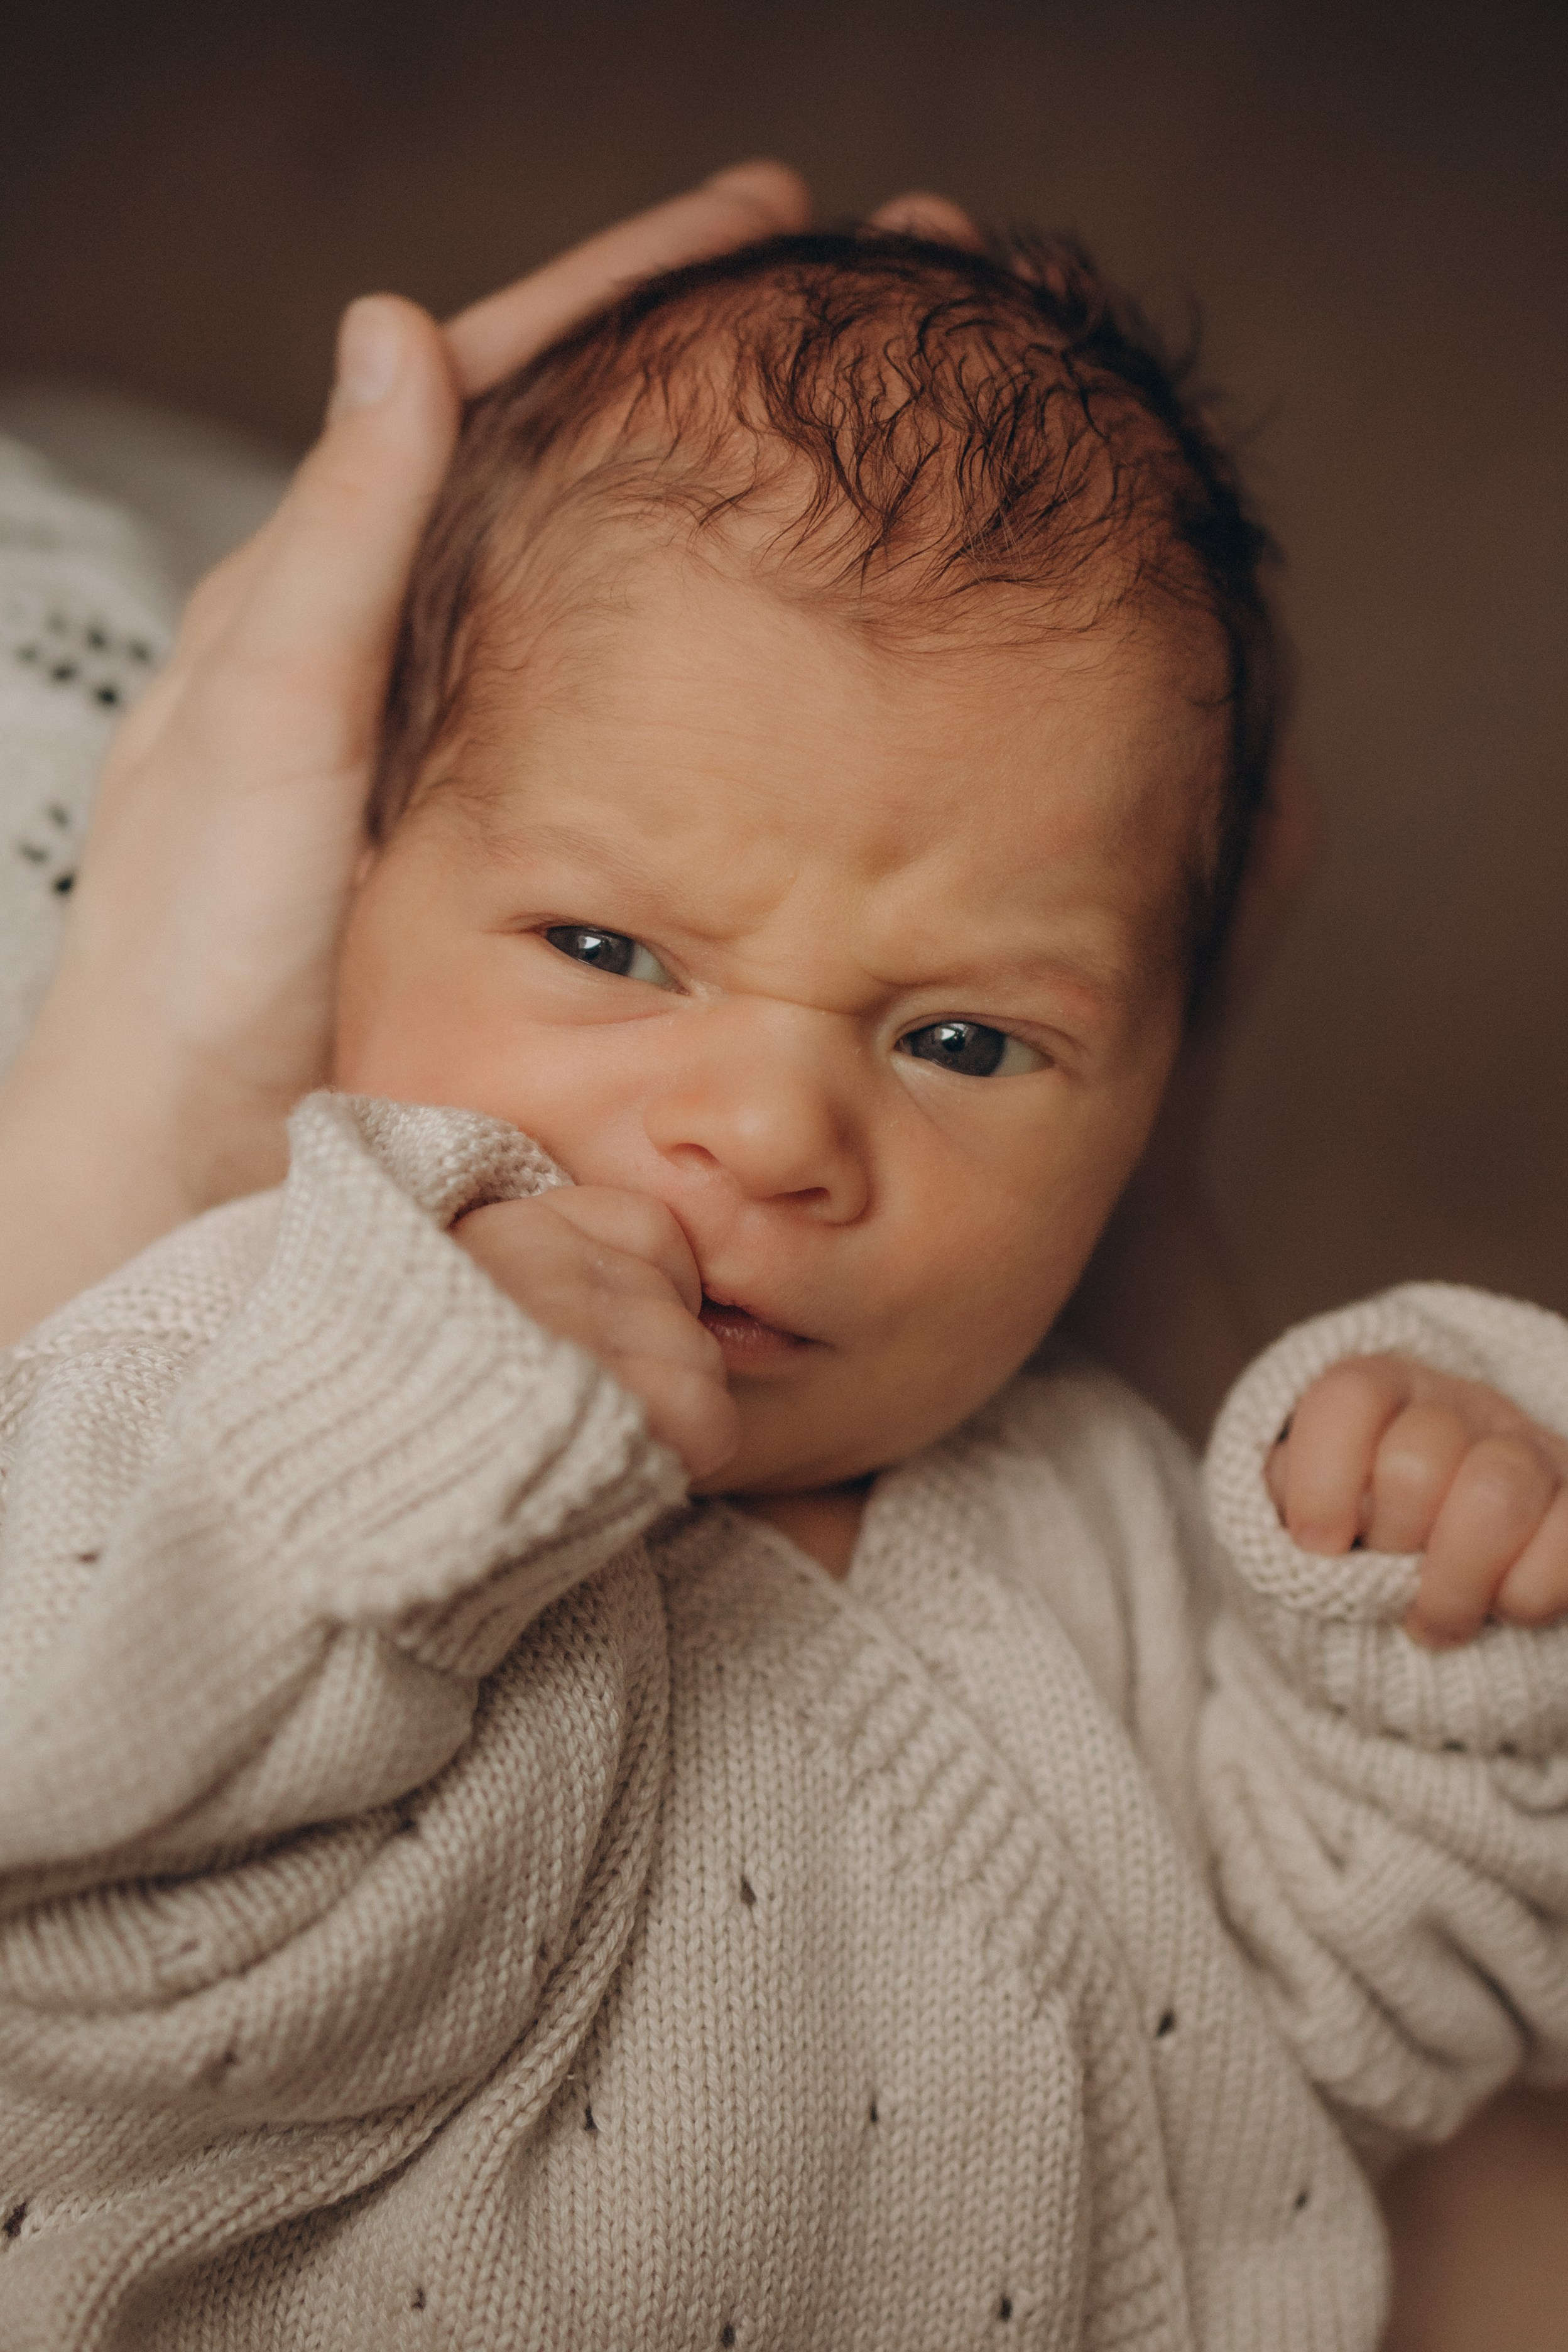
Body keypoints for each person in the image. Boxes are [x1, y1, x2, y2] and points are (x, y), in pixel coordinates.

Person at [1, 167, 1565, 2351]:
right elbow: (69, 1947)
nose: (768, 1131)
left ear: (1156, 1091)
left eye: (963, 1041)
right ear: (358, 882)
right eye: (610, 947)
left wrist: (1440, 1623)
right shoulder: (232, 1370)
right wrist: (408, 1437)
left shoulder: (1105, 1514)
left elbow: (1403, 2026)